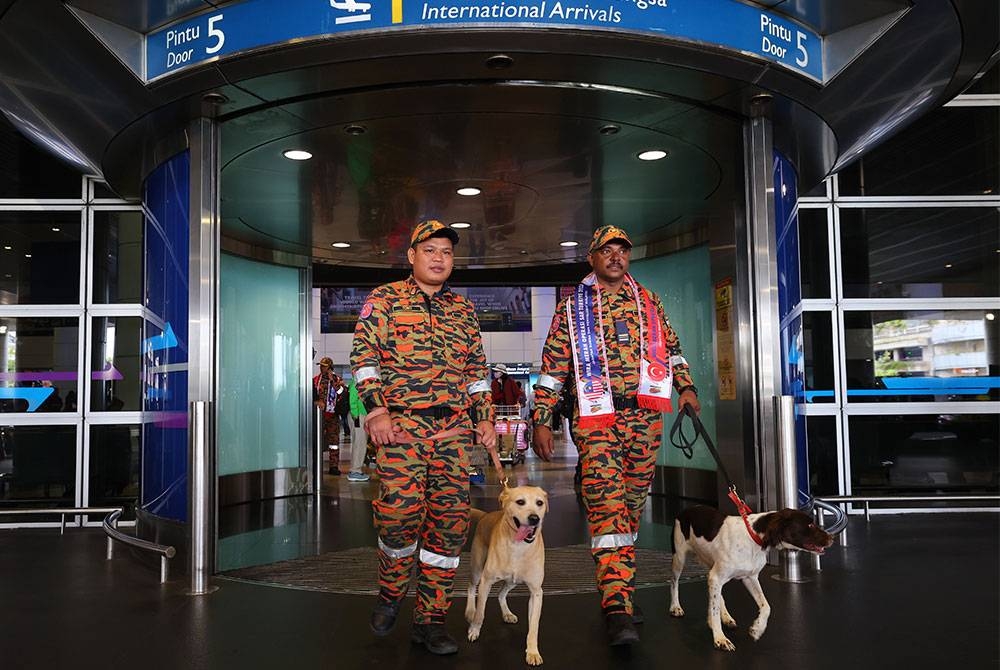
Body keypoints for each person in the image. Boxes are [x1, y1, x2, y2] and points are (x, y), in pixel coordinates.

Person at [531, 225, 700, 646]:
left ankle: (620, 586)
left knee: (630, 508)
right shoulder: (572, 309)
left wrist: (687, 388)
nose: (615, 257)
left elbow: (673, 349)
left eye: (621, 250)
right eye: (606, 251)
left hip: (645, 418)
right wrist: (541, 420)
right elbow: (554, 369)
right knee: (608, 510)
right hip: (596, 421)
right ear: (592, 258)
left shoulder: (649, 302)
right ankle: (617, 608)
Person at [351, 219, 497, 656]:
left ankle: (431, 620)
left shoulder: (463, 311)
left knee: (449, 529)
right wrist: (376, 409)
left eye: (447, 252)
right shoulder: (384, 300)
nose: (439, 258)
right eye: (430, 249)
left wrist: (486, 418)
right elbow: (363, 358)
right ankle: (392, 592)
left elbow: (476, 372)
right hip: (401, 431)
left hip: (453, 434)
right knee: (397, 518)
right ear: (411, 256)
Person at [313, 357, 343, 475]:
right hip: (319, 415)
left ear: (330, 367)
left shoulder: (337, 379)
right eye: (320, 365)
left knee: (334, 442)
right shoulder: (316, 380)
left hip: (333, 415)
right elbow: (311, 395)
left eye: (324, 366)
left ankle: (334, 466)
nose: (321, 368)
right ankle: (315, 464)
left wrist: (332, 380)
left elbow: (341, 393)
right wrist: (316, 402)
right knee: (316, 440)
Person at [346, 378, 370, 482]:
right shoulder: (357, 381)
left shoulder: (358, 380)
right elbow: (353, 398)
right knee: (359, 443)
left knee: (360, 442)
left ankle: (356, 470)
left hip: (360, 415)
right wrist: (355, 414)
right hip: (358, 416)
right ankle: (355, 471)